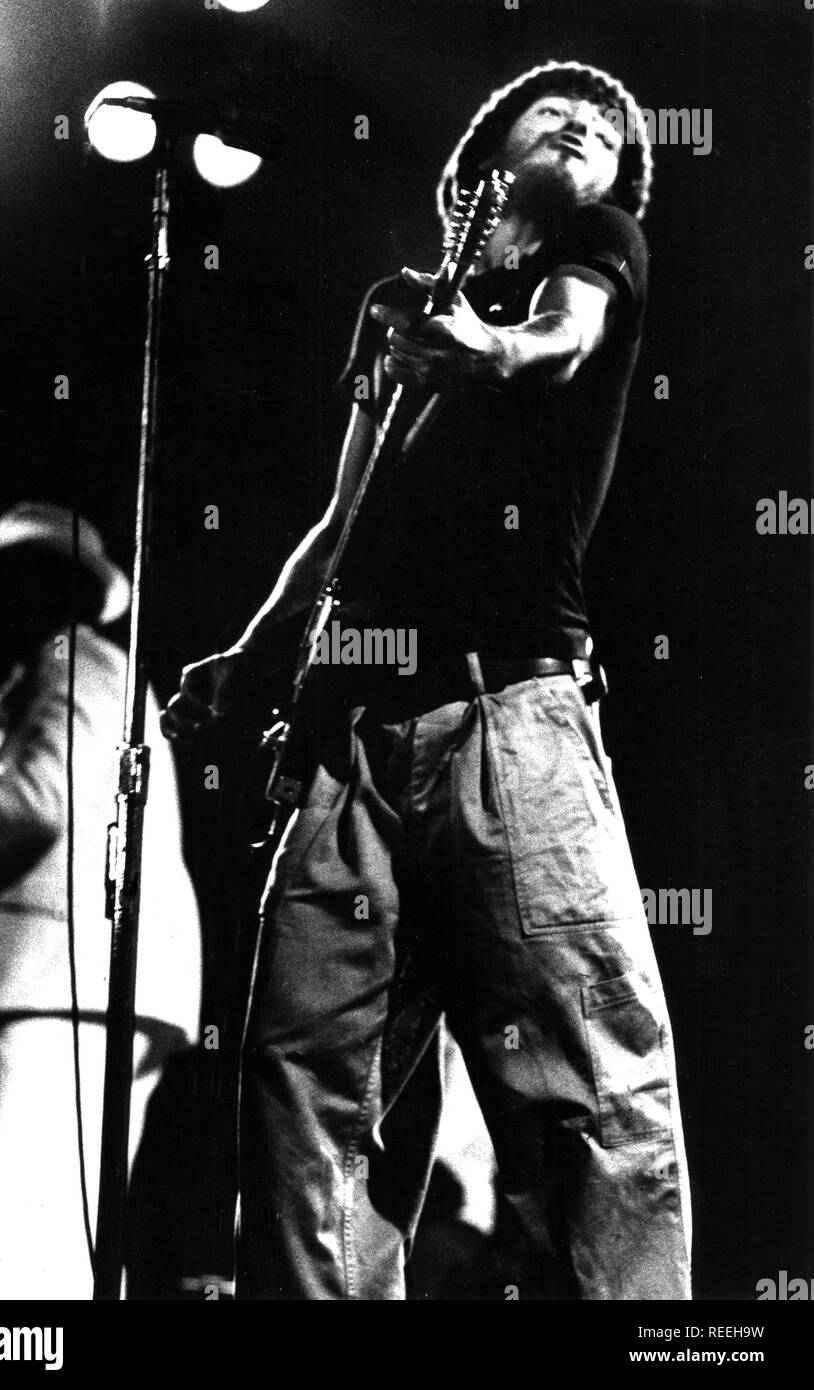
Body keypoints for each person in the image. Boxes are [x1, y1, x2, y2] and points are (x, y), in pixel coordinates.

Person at [163, 60, 692, 1300]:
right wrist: (251, 655)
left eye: (609, 129)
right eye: (556, 110)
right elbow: (339, 515)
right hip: (349, 747)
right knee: (305, 1102)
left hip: (511, 723)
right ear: (484, 152)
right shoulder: (395, 307)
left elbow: (559, 340)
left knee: (586, 1094)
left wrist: (488, 348)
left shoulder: (598, 245)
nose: (587, 125)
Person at [0, 502, 202, 1299]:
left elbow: (39, 800)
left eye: (10, 581)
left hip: (59, 980)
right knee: (62, 1236)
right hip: (88, 984)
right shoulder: (92, 673)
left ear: (54, 588)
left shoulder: (71, 663)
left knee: (7, 1219)